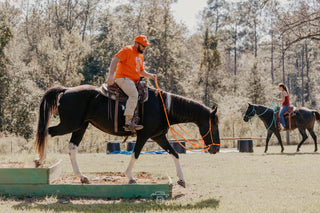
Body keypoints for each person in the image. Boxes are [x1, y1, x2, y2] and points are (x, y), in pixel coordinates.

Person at [106, 35, 156, 131]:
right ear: (136, 44)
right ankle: (128, 122)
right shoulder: (127, 50)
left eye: (145, 46)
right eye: (143, 46)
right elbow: (115, 60)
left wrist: (151, 75)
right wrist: (111, 75)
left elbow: (141, 71)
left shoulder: (140, 56)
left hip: (133, 81)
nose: (145, 48)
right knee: (134, 94)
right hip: (123, 78)